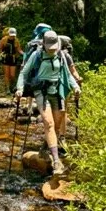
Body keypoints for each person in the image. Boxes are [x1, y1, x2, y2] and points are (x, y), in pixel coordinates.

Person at [15, 30, 81, 175]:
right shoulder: (36, 55)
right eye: (49, 47)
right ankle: (56, 161)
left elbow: (68, 74)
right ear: (44, 43)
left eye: (54, 47)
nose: (52, 50)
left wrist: (75, 87)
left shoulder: (61, 54)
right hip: (42, 92)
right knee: (49, 123)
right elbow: (24, 73)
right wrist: (20, 88)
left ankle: (44, 149)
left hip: (57, 92)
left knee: (56, 127)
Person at [58, 37, 82, 145]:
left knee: (61, 111)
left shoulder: (61, 55)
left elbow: (71, 71)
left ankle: (59, 135)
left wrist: (76, 81)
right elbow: (73, 71)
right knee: (63, 111)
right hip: (63, 86)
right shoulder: (66, 55)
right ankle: (61, 136)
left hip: (60, 86)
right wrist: (78, 78)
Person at [0, 28, 24, 93]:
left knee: (12, 75)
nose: (12, 37)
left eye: (13, 35)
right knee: (7, 74)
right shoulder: (4, 40)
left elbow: (19, 50)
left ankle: (12, 86)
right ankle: (7, 89)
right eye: (11, 35)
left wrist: (24, 54)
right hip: (5, 58)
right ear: (8, 34)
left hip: (13, 59)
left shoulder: (16, 41)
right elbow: (0, 49)